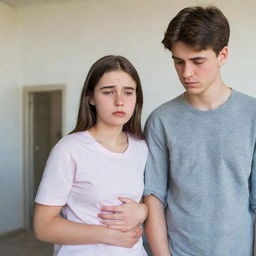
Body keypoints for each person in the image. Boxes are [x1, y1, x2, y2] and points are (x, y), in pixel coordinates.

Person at [143, 6, 256, 256]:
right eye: (178, 62)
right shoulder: (161, 121)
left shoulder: (252, 116)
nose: (186, 73)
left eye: (197, 61)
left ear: (222, 55)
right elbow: (153, 197)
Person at [34, 55, 148, 256]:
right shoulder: (69, 150)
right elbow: (43, 227)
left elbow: (154, 201)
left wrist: (143, 211)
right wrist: (108, 235)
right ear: (90, 97)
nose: (120, 101)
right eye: (108, 92)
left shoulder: (142, 147)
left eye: (128, 92)